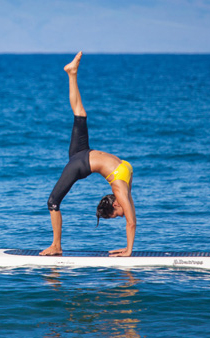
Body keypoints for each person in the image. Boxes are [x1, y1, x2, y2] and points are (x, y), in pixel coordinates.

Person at [39, 52, 136, 257]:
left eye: (116, 215)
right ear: (116, 203)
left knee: (80, 114)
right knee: (53, 202)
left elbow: (130, 217)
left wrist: (128, 248)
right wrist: (128, 251)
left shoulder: (124, 189)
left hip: (84, 155)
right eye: (117, 214)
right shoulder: (121, 189)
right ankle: (56, 245)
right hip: (81, 161)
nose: (121, 216)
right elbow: (132, 221)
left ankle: (72, 74)